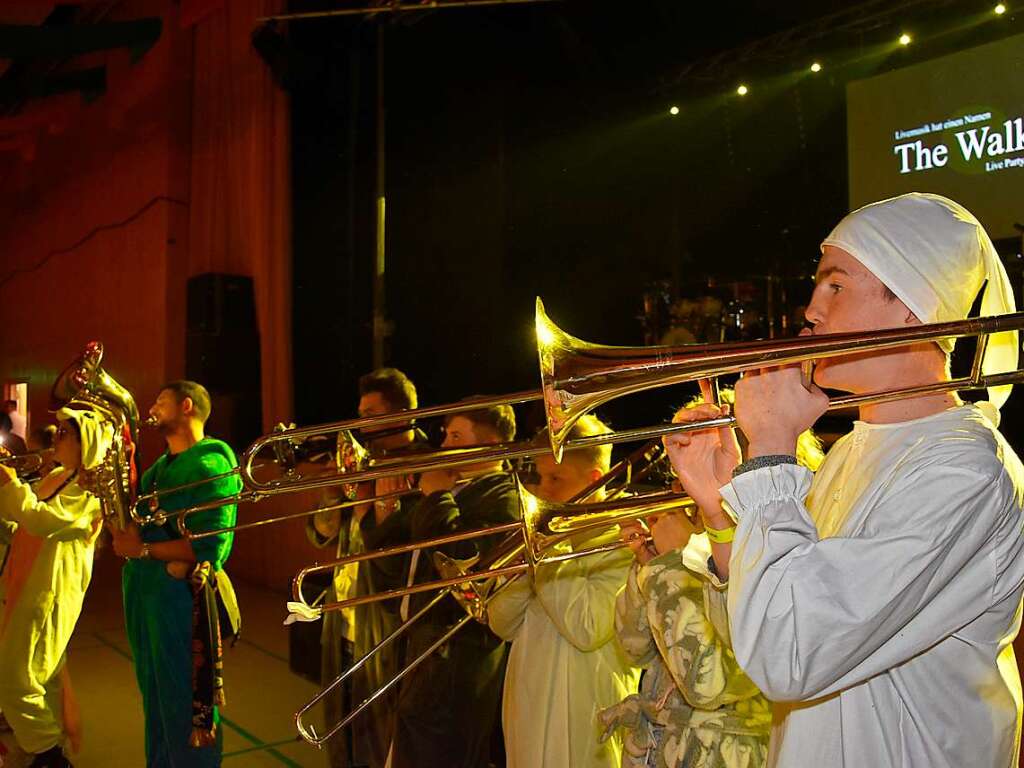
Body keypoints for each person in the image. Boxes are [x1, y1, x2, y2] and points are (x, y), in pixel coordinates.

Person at [666, 193, 1024, 767]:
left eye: (835, 286)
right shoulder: (849, 451)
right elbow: (755, 642)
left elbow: (791, 654)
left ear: (914, 306)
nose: (810, 310)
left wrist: (773, 449)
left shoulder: (964, 470)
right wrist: (719, 510)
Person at [602, 389, 823, 768]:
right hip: (660, 747)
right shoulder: (687, 527)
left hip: (729, 753)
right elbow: (634, 649)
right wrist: (644, 564)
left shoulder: (780, 540)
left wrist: (670, 565)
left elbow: (707, 684)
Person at [488, 414, 640, 768]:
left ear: (595, 479)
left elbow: (586, 628)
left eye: (557, 478)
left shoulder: (626, 541)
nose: (543, 489)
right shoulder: (546, 541)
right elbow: (500, 623)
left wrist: (550, 551)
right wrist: (526, 564)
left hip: (586, 717)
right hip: (527, 708)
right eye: (540, 477)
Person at [110, 380, 240, 768]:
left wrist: (145, 550)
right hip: (146, 596)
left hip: (180, 603)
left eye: (160, 402)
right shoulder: (155, 471)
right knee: (156, 698)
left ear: (186, 406)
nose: (152, 407)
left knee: (183, 700)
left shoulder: (212, 463)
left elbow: (210, 547)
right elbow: (134, 530)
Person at [305, 367, 426, 768]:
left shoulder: (427, 466)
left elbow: (409, 551)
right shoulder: (359, 461)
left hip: (388, 627)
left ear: (401, 415)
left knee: (382, 740)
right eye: (360, 414)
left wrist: (371, 507)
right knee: (341, 735)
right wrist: (331, 493)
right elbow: (321, 533)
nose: (360, 425)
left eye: (370, 414)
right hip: (343, 618)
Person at [387, 403, 519, 768]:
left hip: (459, 653)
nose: (444, 445)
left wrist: (436, 498)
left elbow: (465, 566)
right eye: (446, 435)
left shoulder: (503, 498)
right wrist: (382, 509)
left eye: (456, 436)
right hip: (425, 643)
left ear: (490, 445)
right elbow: (403, 559)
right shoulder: (455, 486)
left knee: (438, 754)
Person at [0, 408, 107, 768]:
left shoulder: (88, 488)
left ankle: (48, 756)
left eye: (65, 433)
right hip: (28, 586)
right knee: (33, 677)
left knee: (17, 678)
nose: (56, 437)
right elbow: (26, 526)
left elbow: (42, 520)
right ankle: (37, 747)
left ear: (86, 443)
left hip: (50, 592)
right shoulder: (59, 477)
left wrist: (9, 484)